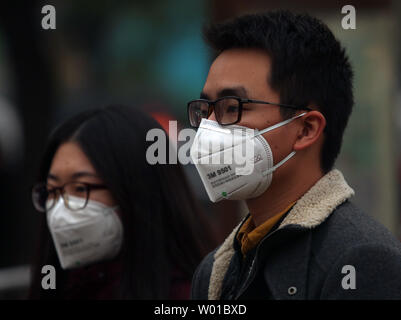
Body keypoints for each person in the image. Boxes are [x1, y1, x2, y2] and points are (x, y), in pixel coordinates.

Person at [189, 11, 401, 299]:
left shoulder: (359, 259)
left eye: (232, 106)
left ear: (306, 129)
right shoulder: (215, 271)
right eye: (205, 110)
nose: (209, 128)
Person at [29, 104, 214, 299]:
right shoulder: (59, 286)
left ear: (137, 191)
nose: (60, 211)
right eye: (52, 191)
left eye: (81, 188)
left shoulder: (191, 294)